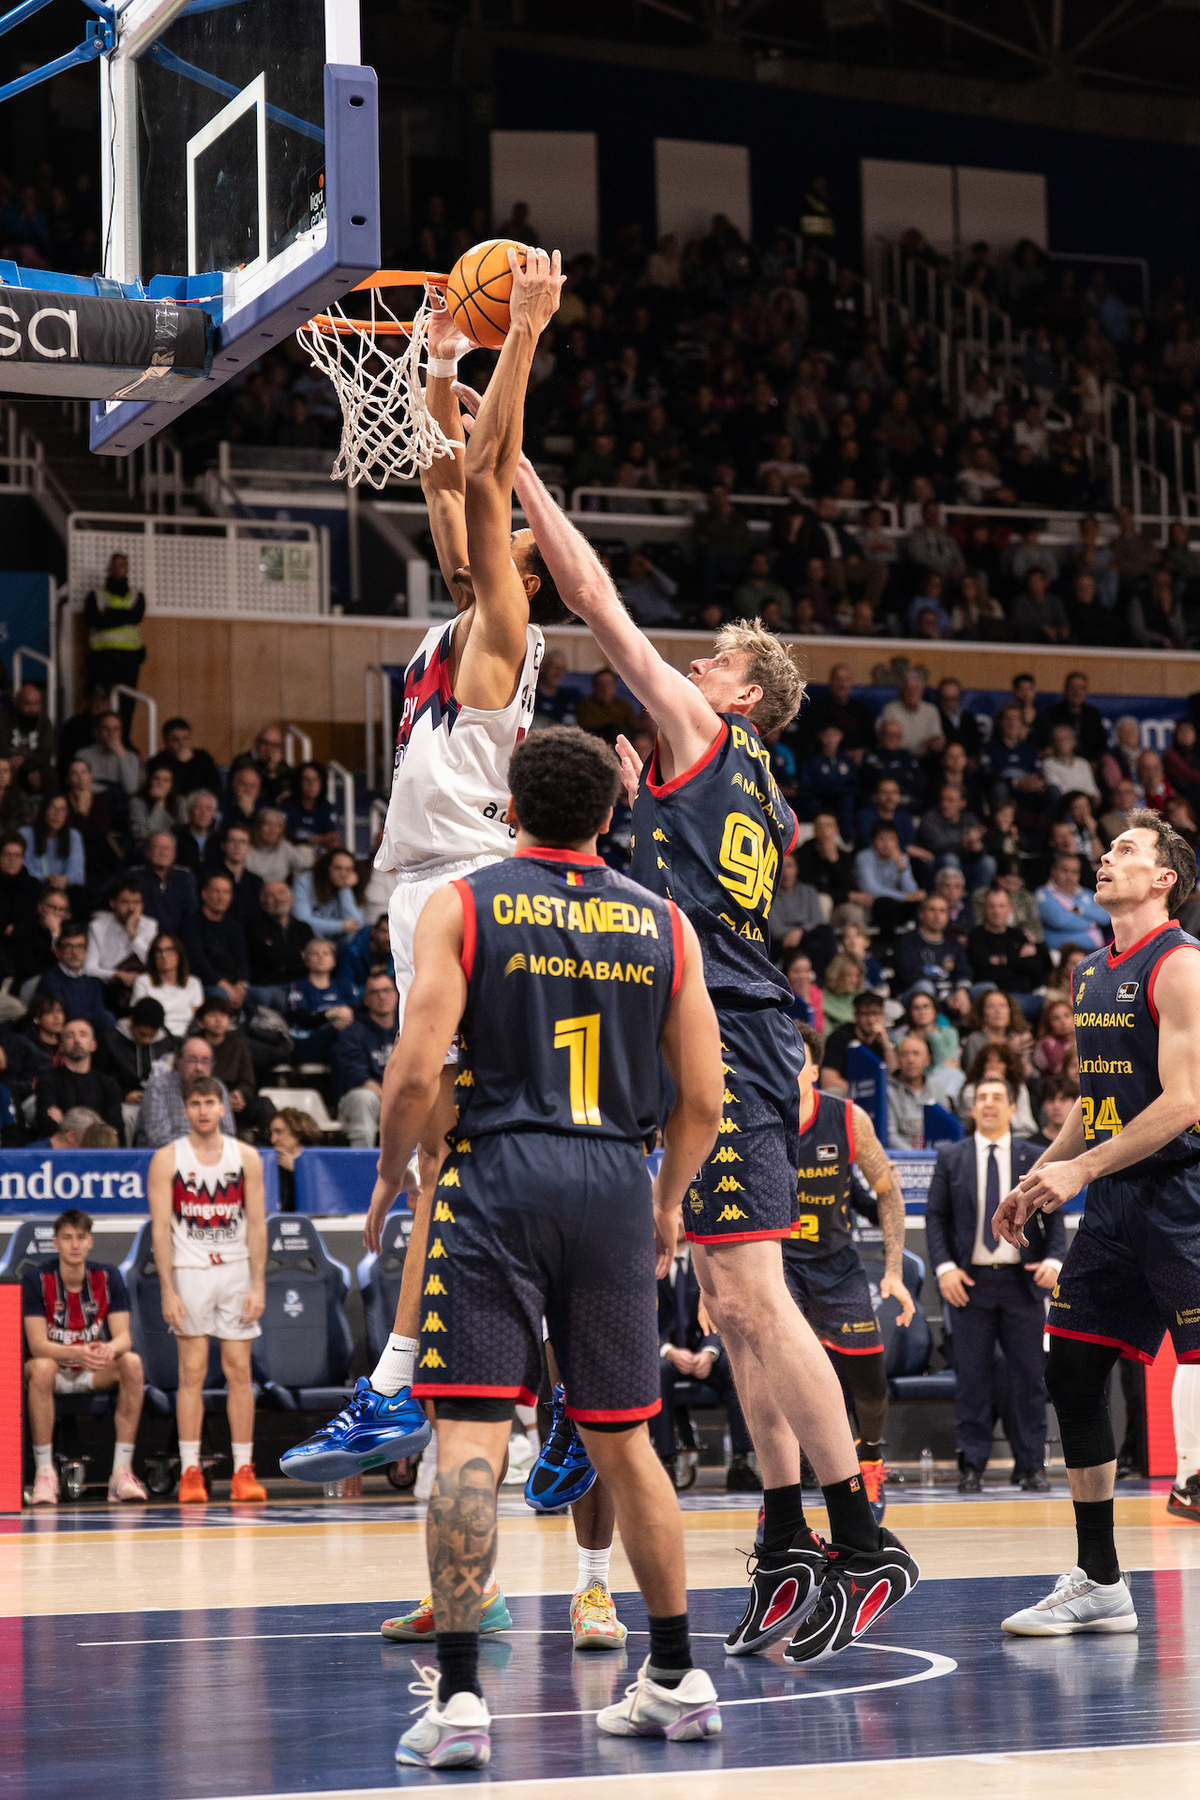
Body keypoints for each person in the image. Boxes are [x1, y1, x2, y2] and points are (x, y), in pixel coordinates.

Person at [506, 417, 918, 1668]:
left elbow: (593, 595)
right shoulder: (758, 789)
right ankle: (789, 1537)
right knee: (735, 1312)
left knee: (749, 1291)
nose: (692, 661)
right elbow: (694, 897)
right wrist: (636, 819)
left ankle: (865, 1535)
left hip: (728, 1038)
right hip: (716, 1025)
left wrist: (520, 466)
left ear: (739, 694)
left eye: (714, 659)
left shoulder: (706, 730)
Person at [368, 725, 726, 1767]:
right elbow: (702, 1099)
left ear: (509, 809)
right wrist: (665, 1204)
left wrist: (396, 1176)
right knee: (625, 1438)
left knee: (472, 1439)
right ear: (614, 812)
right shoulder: (667, 924)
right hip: (614, 1178)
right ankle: (675, 1674)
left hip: (496, 1177)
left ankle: (464, 1703)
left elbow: (413, 1072)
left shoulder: (465, 904)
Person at [281, 253, 570, 1509]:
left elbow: (488, 466)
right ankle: (548, 1402)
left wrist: (515, 345)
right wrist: (439, 368)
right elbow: (451, 474)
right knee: (482, 1167)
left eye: (501, 528)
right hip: (438, 884)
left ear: (528, 560)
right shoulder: (458, 611)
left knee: (445, 1146)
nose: (475, 521)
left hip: (466, 886)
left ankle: (419, 1375)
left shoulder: (507, 628)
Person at [995, 811, 1200, 1629]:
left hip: (1186, 1195)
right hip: (1116, 1203)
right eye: (1108, 845)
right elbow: (1099, 1099)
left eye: (1127, 850)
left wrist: (1081, 1168)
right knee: (1073, 1374)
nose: (1105, 856)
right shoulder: (1087, 972)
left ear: (1165, 880)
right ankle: (1101, 1582)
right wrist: (1046, 1171)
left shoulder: (1181, 965)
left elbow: (1186, 1101)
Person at [784, 1024, 913, 1520]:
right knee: (782, 1375)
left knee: (870, 1382)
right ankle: (783, 1490)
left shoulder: (846, 1117)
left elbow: (887, 1189)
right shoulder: (756, 1117)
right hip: (781, 1264)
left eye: (797, 1057)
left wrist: (895, 1270)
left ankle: (871, 1458)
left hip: (837, 1265)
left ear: (815, 1070)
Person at [926, 1077, 1064, 1494]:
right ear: (972, 1109)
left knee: (1029, 1376)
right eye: (981, 1098)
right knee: (971, 1377)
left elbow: (1055, 1215)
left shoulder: (1035, 1156)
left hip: (1023, 1283)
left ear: (1010, 1108)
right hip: (971, 1283)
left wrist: (1055, 1259)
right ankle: (972, 1465)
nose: (988, 1104)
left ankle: (1031, 1466)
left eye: (997, 1097)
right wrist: (945, 1267)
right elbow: (936, 1217)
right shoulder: (951, 1156)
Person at [147, 1077, 267, 1504]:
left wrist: (258, 1284)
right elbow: (160, 1229)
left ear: (222, 1108)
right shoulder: (167, 1159)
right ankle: (191, 1471)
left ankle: (243, 1470)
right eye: (195, 1103)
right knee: (191, 1375)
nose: (202, 1110)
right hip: (190, 1270)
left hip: (235, 1271)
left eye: (209, 1102)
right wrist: (167, 1289)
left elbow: (257, 1225)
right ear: (185, 1110)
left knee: (240, 1373)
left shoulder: (246, 1157)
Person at [22, 1206, 149, 1505]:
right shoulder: (36, 1279)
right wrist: (77, 1350)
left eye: (81, 1237)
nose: (75, 1244)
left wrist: (109, 1348)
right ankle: (44, 1474)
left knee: (131, 1362)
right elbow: (38, 1344)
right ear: (55, 1243)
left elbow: (124, 1338)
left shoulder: (108, 1276)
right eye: (67, 1238)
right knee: (41, 1367)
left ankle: (121, 1472)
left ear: (90, 1241)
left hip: (92, 1368)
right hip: (54, 1369)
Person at [656, 1216, 756, 1488]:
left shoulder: (709, 1264)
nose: (676, 1221)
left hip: (703, 1352)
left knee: (735, 1366)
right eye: (671, 1215)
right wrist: (668, 1351)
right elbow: (640, 1320)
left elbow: (721, 1313)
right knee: (657, 1370)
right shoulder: (647, 1264)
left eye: (681, 1215)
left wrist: (709, 1351)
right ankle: (665, 1460)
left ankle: (741, 1461)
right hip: (664, 1354)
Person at [330, 972, 398, 1146]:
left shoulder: (408, 1029)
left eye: (386, 990)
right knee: (364, 1097)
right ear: (366, 999)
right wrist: (390, 1100)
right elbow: (358, 1078)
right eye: (374, 992)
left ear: (396, 995)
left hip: (402, 1098)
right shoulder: (352, 1033)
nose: (382, 996)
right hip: (365, 1100)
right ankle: (362, 1163)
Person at [192, 996, 272, 1142]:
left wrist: (239, 1094)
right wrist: (220, 1099)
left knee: (263, 1104)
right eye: (212, 1015)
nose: (219, 1020)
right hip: (201, 1104)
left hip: (233, 1106)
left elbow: (247, 1080)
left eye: (223, 1015)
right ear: (200, 1022)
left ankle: (270, 1150)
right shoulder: (193, 1045)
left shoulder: (239, 1044)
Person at [136, 1033, 235, 1148]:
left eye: (205, 1061)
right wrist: (199, 1150)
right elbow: (159, 1139)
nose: (199, 1067)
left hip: (209, 1156)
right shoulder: (159, 1086)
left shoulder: (218, 1087)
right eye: (192, 1060)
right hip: (166, 1158)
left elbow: (228, 1134)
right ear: (178, 1062)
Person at [34, 1017, 124, 1142]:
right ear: (62, 1046)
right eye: (70, 1036)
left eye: (83, 1035)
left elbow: (115, 1129)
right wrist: (97, 1128)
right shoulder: (48, 1080)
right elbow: (47, 1126)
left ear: (93, 1044)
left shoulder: (108, 1084)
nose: (77, 1040)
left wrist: (64, 1121)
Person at [99, 996, 178, 1140]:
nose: (146, 1040)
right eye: (142, 1034)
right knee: (125, 1117)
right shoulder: (110, 1040)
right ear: (131, 1021)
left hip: (158, 1100)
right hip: (123, 1101)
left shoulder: (167, 1042)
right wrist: (124, 1094)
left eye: (151, 1036)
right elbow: (101, 1078)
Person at [967, 886, 1052, 1019]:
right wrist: (1019, 961)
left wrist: (1003, 961)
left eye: (1001, 906)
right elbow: (984, 972)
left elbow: (1036, 966)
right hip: (996, 997)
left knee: (1056, 1005)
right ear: (984, 909)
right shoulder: (976, 936)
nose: (997, 911)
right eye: (992, 906)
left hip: (1027, 994)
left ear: (1010, 909)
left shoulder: (1018, 935)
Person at [85, 554, 145, 739]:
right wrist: (124, 615)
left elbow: (136, 617)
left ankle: (124, 743)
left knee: (127, 705)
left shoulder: (137, 595)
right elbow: (94, 620)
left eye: (122, 566)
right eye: (115, 566)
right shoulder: (95, 595)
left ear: (128, 569)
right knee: (98, 703)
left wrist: (109, 614)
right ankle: (95, 740)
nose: (118, 569)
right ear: (108, 569)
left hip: (129, 659)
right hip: (102, 658)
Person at [181, 872, 249, 1007]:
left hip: (233, 984)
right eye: (216, 891)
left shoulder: (234, 926)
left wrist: (241, 985)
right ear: (204, 894)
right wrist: (226, 987)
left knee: (262, 995)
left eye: (226, 892)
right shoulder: (190, 925)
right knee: (222, 995)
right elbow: (198, 963)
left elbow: (243, 960)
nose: (221, 897)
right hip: (207, 984)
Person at [85, 878, 156, 1003]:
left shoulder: (150, 925)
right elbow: (89, 968)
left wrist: (133, 936)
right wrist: (117, 975)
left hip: (144, 986)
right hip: (109, 988)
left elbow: (154, 963)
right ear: (113, 903)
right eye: (125, 902)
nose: (131, 908)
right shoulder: (97, 927)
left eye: (136, 902)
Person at [37, 923, 115, 1036]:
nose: (74, 952)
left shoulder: (93, 982)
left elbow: (99, 1016)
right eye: (68, 946)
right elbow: (63, 1017)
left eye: (79, 946)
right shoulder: (50, 980)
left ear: (86, 952)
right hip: (63, 1036)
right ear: (58, 952)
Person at [246, 880, 313, 1002]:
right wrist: (298, 956)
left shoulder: (304, 928)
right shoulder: (254, 927)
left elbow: (311, 961)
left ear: (291, 899)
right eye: (271, 895)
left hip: (301, 984)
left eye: (281, 893)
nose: (278, 899)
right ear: (263, 903)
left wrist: (281, 960)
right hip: (269, 985)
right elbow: (267, 959)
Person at [130, 933, 205, 1040]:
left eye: (169, 950)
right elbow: (140, 1018)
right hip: (155, 1039)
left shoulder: (194, 983)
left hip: (187, 1038)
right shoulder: (143, 981)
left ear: (179, 954)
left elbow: (198, 1020)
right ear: (153, 956)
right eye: (159, 951)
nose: (164, 955)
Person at [1036, 852, 1110, 952]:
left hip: (1095, 953)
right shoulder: (1043, 894)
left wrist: (1081, 911)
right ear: (1053, 871)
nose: (1070, 876)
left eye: (1075, 872)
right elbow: (1059, 920)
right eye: (1065, 871)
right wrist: (1092, 924)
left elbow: (1106, 916)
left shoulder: (1085, 893)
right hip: (1063, 956)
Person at [130, 830, 198, 938]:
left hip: (178, 940)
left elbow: (191, 914)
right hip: (143, 937)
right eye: (157, 848)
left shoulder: (185, 877)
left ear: (174, 854)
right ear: (147, 852)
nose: (162, 853)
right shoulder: (134, 876)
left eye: (166, 848)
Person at [292, 848, 362, 940]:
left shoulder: (349, 887)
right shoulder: (305, 882)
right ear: (326, 868)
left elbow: (356, 923)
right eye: (338, 868)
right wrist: (341, 927)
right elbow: (302, 921)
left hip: (336, 945)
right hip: (309, 943)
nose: (343, 874)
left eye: (348, 869)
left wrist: (345, 889)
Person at [146, 717, 223, 802]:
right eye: (175, 740)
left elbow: (216, 787)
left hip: (200, 805)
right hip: (171, 807)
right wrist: (181, 763)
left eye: (185, 738)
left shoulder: (203, 757)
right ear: (166, 742)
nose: (181, 744)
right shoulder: (157, 762)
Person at [20, 794, 85, 890]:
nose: (57, 814)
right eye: (53, 808)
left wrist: (65, 880)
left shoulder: (73, 836)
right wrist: (44, 878)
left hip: (62, 889)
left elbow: (78, 872)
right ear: (44, 811)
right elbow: (22, 867)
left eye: (62, 809)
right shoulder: (26, 834)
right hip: (33, 886)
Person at [79, 710, 139, 798]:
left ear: (121, 733)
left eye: (115, 729)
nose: (111, 733)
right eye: (106, 728)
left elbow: (131, 789)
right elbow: (80, 786)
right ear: (97, 732)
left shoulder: (131, 757)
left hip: (120, 802)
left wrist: (121, 755)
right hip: (93, 800)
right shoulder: (83, 755)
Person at [282, 760, 340, 849]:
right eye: (306, 780)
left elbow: (330, 832)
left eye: (316, 780)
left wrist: (332, 839)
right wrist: (313, 840)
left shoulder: (326, 806)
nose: (311, 784)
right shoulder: (287, 805)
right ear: (298, 783)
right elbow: (286, 838)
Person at [245, 809, 310, 886]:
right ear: (258, 827)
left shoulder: (285, 847)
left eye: (277, 826)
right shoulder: (246, 847)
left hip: (279, 893)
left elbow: (305, 867)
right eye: (268, 824)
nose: (272, 830)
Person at [129, 764, 186, 848]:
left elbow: (184, 830)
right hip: (147, 847)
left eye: (166, 780)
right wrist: (159, 803)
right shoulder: (137, 801)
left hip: (174, 847)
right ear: (150, 781)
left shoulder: (180, 801)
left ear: (172, 785)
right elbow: (143, 834)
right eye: (156, 779)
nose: (160, 783)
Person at [175, 789, 220, 876]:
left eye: (208, 808)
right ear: (189, 811)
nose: (203, 813)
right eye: (198, 807)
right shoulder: (177, 837)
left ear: (213, 813)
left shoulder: (219, 839)